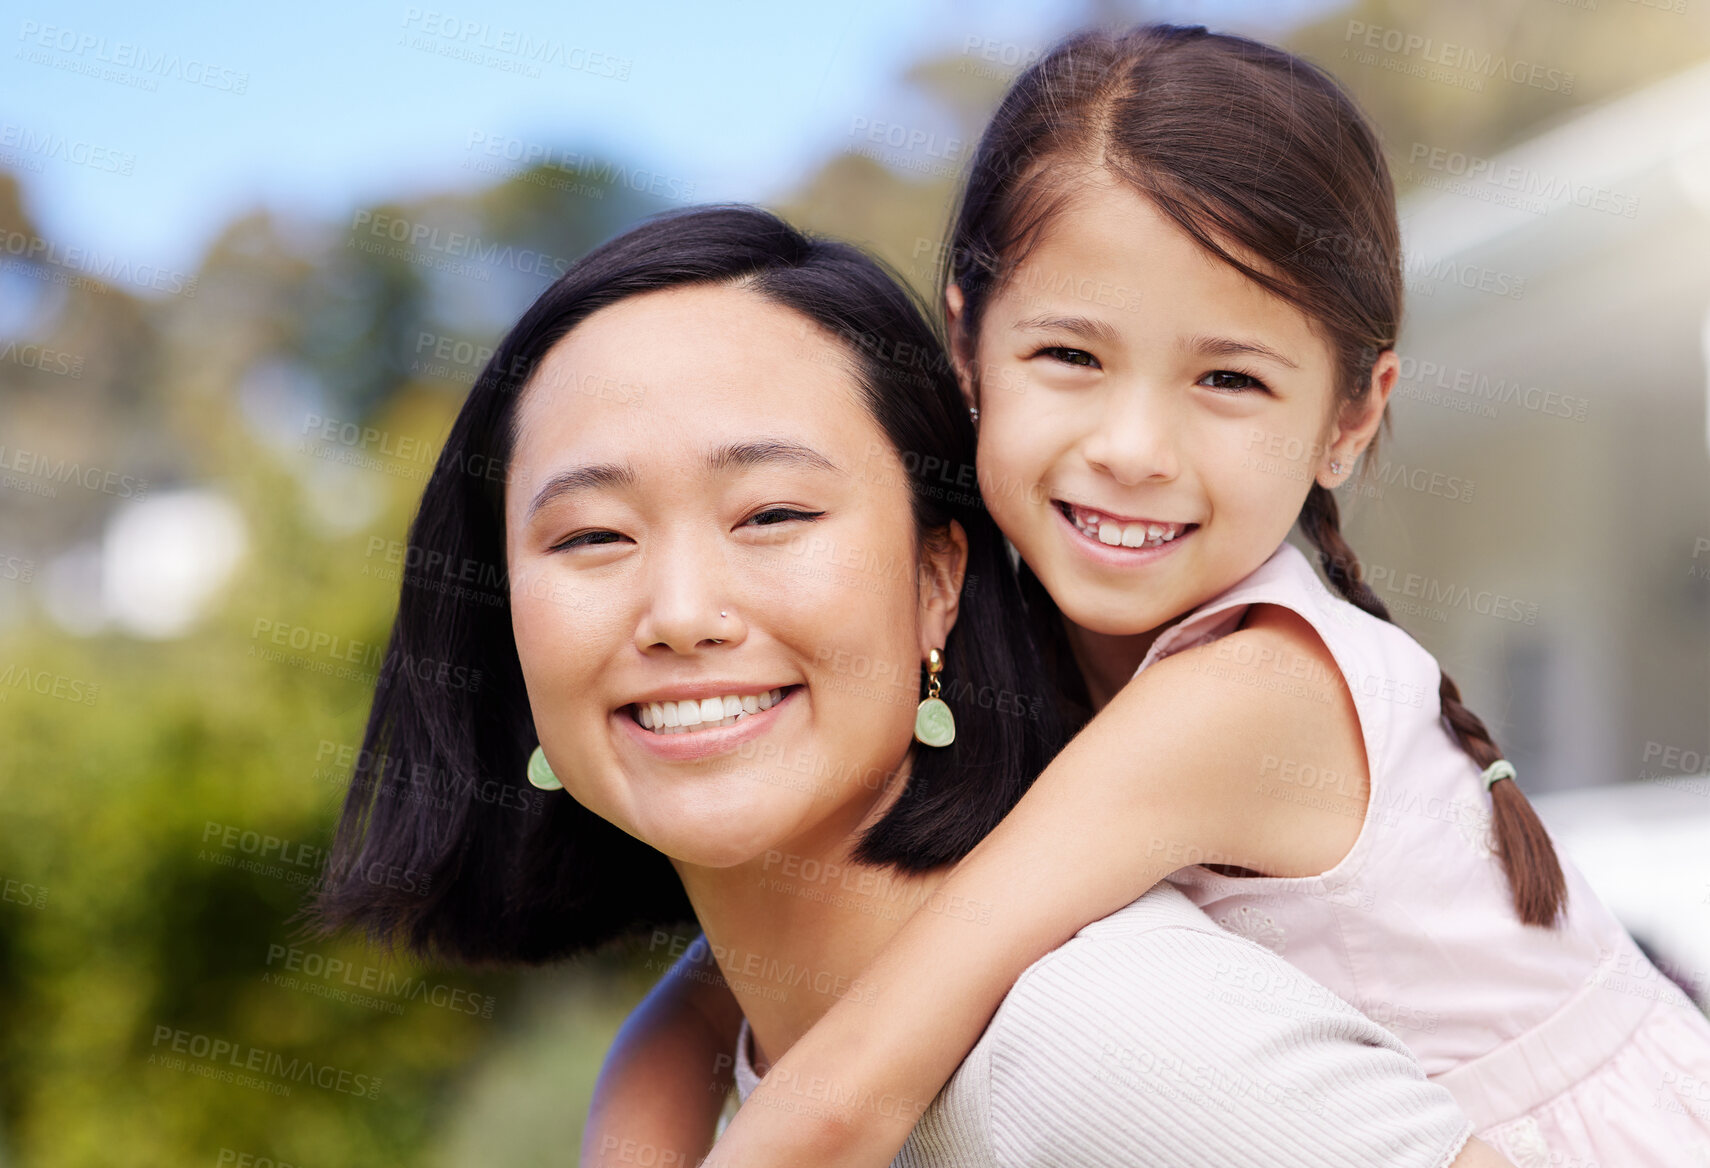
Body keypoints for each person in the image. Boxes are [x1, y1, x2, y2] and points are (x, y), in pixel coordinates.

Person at [592, 26, 1710, 1168]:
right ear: (968, 341)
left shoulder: (1248, 689)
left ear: (1351, 416)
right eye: (1071, 357)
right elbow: (718, 994)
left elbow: (859, 1077)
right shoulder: (1020, 635)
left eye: (1228, 379)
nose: (1133, 449)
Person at [311, 204, 1509, 1167]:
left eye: (772, 513)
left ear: (940, 576)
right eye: (591, 537)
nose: (679, 614)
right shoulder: (746, 1057)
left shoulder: (1101, 1039)